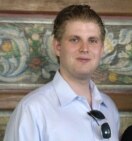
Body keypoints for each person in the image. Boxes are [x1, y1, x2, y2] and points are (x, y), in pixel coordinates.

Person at [4, 4, 120, 141]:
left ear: (101, 49)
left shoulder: (109, 108)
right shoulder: (32, 110)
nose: (85, 48)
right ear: (58, 47)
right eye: (75, 40)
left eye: (92, 40)